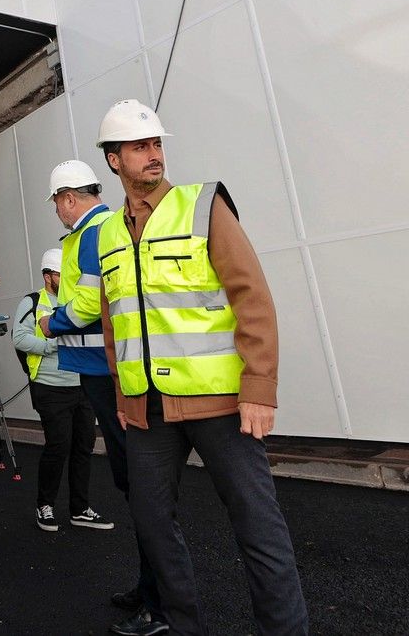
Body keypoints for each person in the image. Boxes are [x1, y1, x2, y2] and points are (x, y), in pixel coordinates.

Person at [96, 99, 308, 636]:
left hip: (221, 404)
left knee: (258, 528)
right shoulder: (108, 234)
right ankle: (182, 625)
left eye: (156, 144)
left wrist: (259, 388)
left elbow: (252, 297)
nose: (153, 155)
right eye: (139, 147)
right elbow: (113, 322)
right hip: (148, 410)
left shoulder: (202, 205)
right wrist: (124, 397)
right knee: (150, 523)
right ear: (113, 160)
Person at [38, 160, 159, 636]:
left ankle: (158, 598)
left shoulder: (92, 233)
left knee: (140, 485)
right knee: (134, 483)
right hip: (103, 372)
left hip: (106, 372)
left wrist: (53, 321)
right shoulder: (102, 228)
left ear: (68, 198)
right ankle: (151, 586)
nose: (57, 213)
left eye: (56, 204)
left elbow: (90, 303)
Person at [14, 248, 109, 534]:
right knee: (58, 445)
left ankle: (80, 509)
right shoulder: (33, 302)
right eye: (61, 274)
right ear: (47, 276)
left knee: (84, 447)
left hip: (82, 386)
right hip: (50, 387)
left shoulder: (75, 301)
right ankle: (45, 505)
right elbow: (19, 339)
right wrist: (52, 346)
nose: (66, 278)